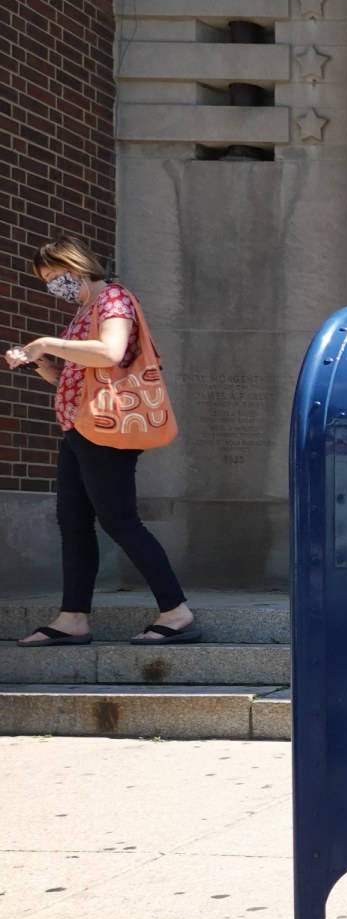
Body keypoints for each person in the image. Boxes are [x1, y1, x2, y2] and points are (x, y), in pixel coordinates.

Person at [4, 236, 199, 646]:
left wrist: (46, 343)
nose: (53, 285)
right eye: (47, 280)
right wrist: (43, 364)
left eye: (56, 276)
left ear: (77, 267)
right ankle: (72, 618)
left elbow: (110, 352)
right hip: (79, 425)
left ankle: (176, 611)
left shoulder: (114, 299)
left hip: (107, 427)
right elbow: (75, 376)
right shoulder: (85, 311)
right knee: (73, 522)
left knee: (119, 520)